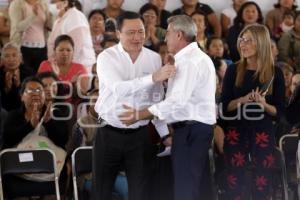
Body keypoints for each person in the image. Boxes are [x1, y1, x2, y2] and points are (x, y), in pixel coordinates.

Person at [119, 15, 216, 200]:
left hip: (191, 130)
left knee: (185, 188)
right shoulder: (191, 58)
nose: (165, 38)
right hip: (190, 130)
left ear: (179, 35)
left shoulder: (189, 61)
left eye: (168, 33)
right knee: (189, 185)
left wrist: (140, 114)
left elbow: (176, 102)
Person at [92, 11, 171, 200]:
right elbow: (119, 89)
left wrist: (165, 133)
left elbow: (156, 100)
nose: (137, 37)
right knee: (100, 191)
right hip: (108, 132)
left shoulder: (153, 58)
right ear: (118, 33)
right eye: (131, 32)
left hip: (140, 136)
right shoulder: (106, 57)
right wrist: (152, 77)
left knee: (141, 193)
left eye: (141, 32)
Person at [220, 24, 285, 199]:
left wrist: (263, 104)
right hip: (236, 131)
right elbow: (224, 106)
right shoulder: (233, 69)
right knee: (234, 182)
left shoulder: (275, 72)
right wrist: (243, 100)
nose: (243, 44)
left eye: (248, 40)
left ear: (261, 43)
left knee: (262, 183)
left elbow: (279, 113)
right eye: (242, 39)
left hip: (263, 132)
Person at [47, 0, 96, 70]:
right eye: (51, 3)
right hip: (61, 67)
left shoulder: (75, 17)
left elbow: (75, 49)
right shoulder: (59, 20)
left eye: (54, 2)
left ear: (65, 3)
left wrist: (65, 69)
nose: (52, 6)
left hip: (80, 67)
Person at [9, 0, 52, 72]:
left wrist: (54, 17)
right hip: (23, 49)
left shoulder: (43, 4)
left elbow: (49, 26)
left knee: (41, 78)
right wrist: (33, 16)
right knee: (25, 78)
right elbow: (18, 27)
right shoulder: (16, 4)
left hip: (42, 48)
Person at [0, 43, 34, 111]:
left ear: (20, 58)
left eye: (14, 55)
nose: (11, 59)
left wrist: (18, 85)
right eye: (7, 56)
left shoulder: (29, 73)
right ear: (2, 60)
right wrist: (7, 88)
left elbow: (30, 98)